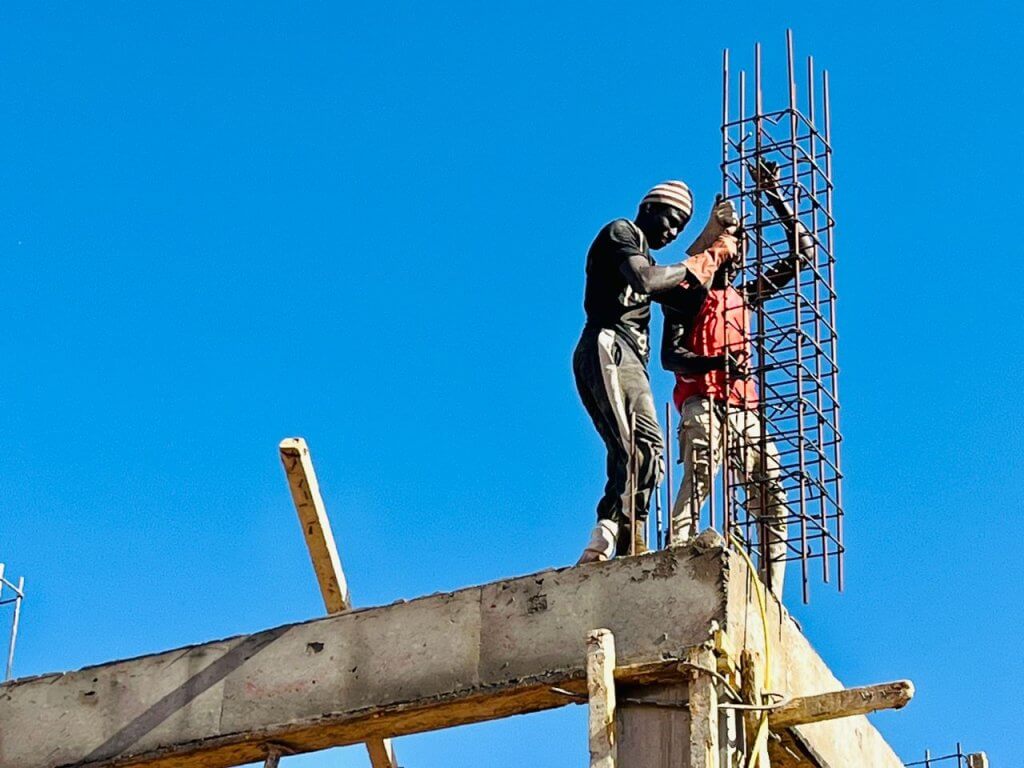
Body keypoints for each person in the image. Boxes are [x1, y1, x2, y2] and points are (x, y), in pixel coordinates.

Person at [660, 160, 814, 596]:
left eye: (740, 242)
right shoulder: (686, 296)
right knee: (699, 483)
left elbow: (802, 254)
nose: (738, 249)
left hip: (743, 408)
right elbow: (672, 357)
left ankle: (772, 596)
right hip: (703, 403)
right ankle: (675, 570)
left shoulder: (741, 297)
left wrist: (775, 195)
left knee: (772, 496)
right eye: (730, 240)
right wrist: (716, 365)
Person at [574, 181, 739, 564]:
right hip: (607, 345)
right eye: (671, 220)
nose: (673, 231)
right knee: (627, 443)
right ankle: (605, 535)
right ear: (650, 208)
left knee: (650, 450)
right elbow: (647, 279)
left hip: (634, 360)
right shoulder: (622, 233)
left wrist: (713, 244)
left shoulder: (649, 256)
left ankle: (631, 540)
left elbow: (683, 293)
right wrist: (703, 257)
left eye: (682, 227)